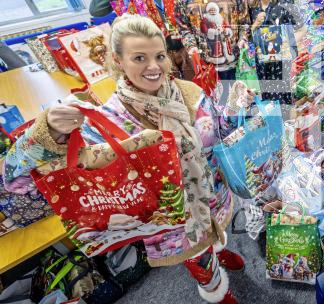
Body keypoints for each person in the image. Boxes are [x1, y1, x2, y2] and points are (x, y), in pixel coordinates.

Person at [3, 15, 255, 304]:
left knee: (216, 234)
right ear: (118, 60)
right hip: (175, 224)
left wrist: (235, 109)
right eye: (139, 57)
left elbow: (218, 135)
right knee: (199, 258)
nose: (154, 66)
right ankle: (214, 289)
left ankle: (219, 248)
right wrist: (50, 133)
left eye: (159, 55)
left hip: (214, 197)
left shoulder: (190, 92)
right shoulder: (108, 122)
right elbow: (16, 180)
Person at [247, 0, 305, 106]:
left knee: (283, 103)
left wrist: (287, 44)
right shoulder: (252, 7)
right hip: (261, 65)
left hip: (281, 65)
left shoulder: (285, 3)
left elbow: (302, 29)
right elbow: (249, 35)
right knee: (267, 103)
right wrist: (255, 24)